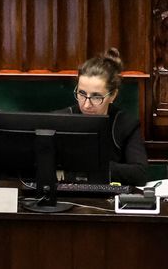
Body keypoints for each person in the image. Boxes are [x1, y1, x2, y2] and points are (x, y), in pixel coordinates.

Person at [59, 48, 147, 185]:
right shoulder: (60, 119)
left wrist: (89, 166)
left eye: (96, 97)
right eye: (82, 94)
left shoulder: (126, 124)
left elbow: (139, 173)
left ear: (113, 95)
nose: (86, 105)